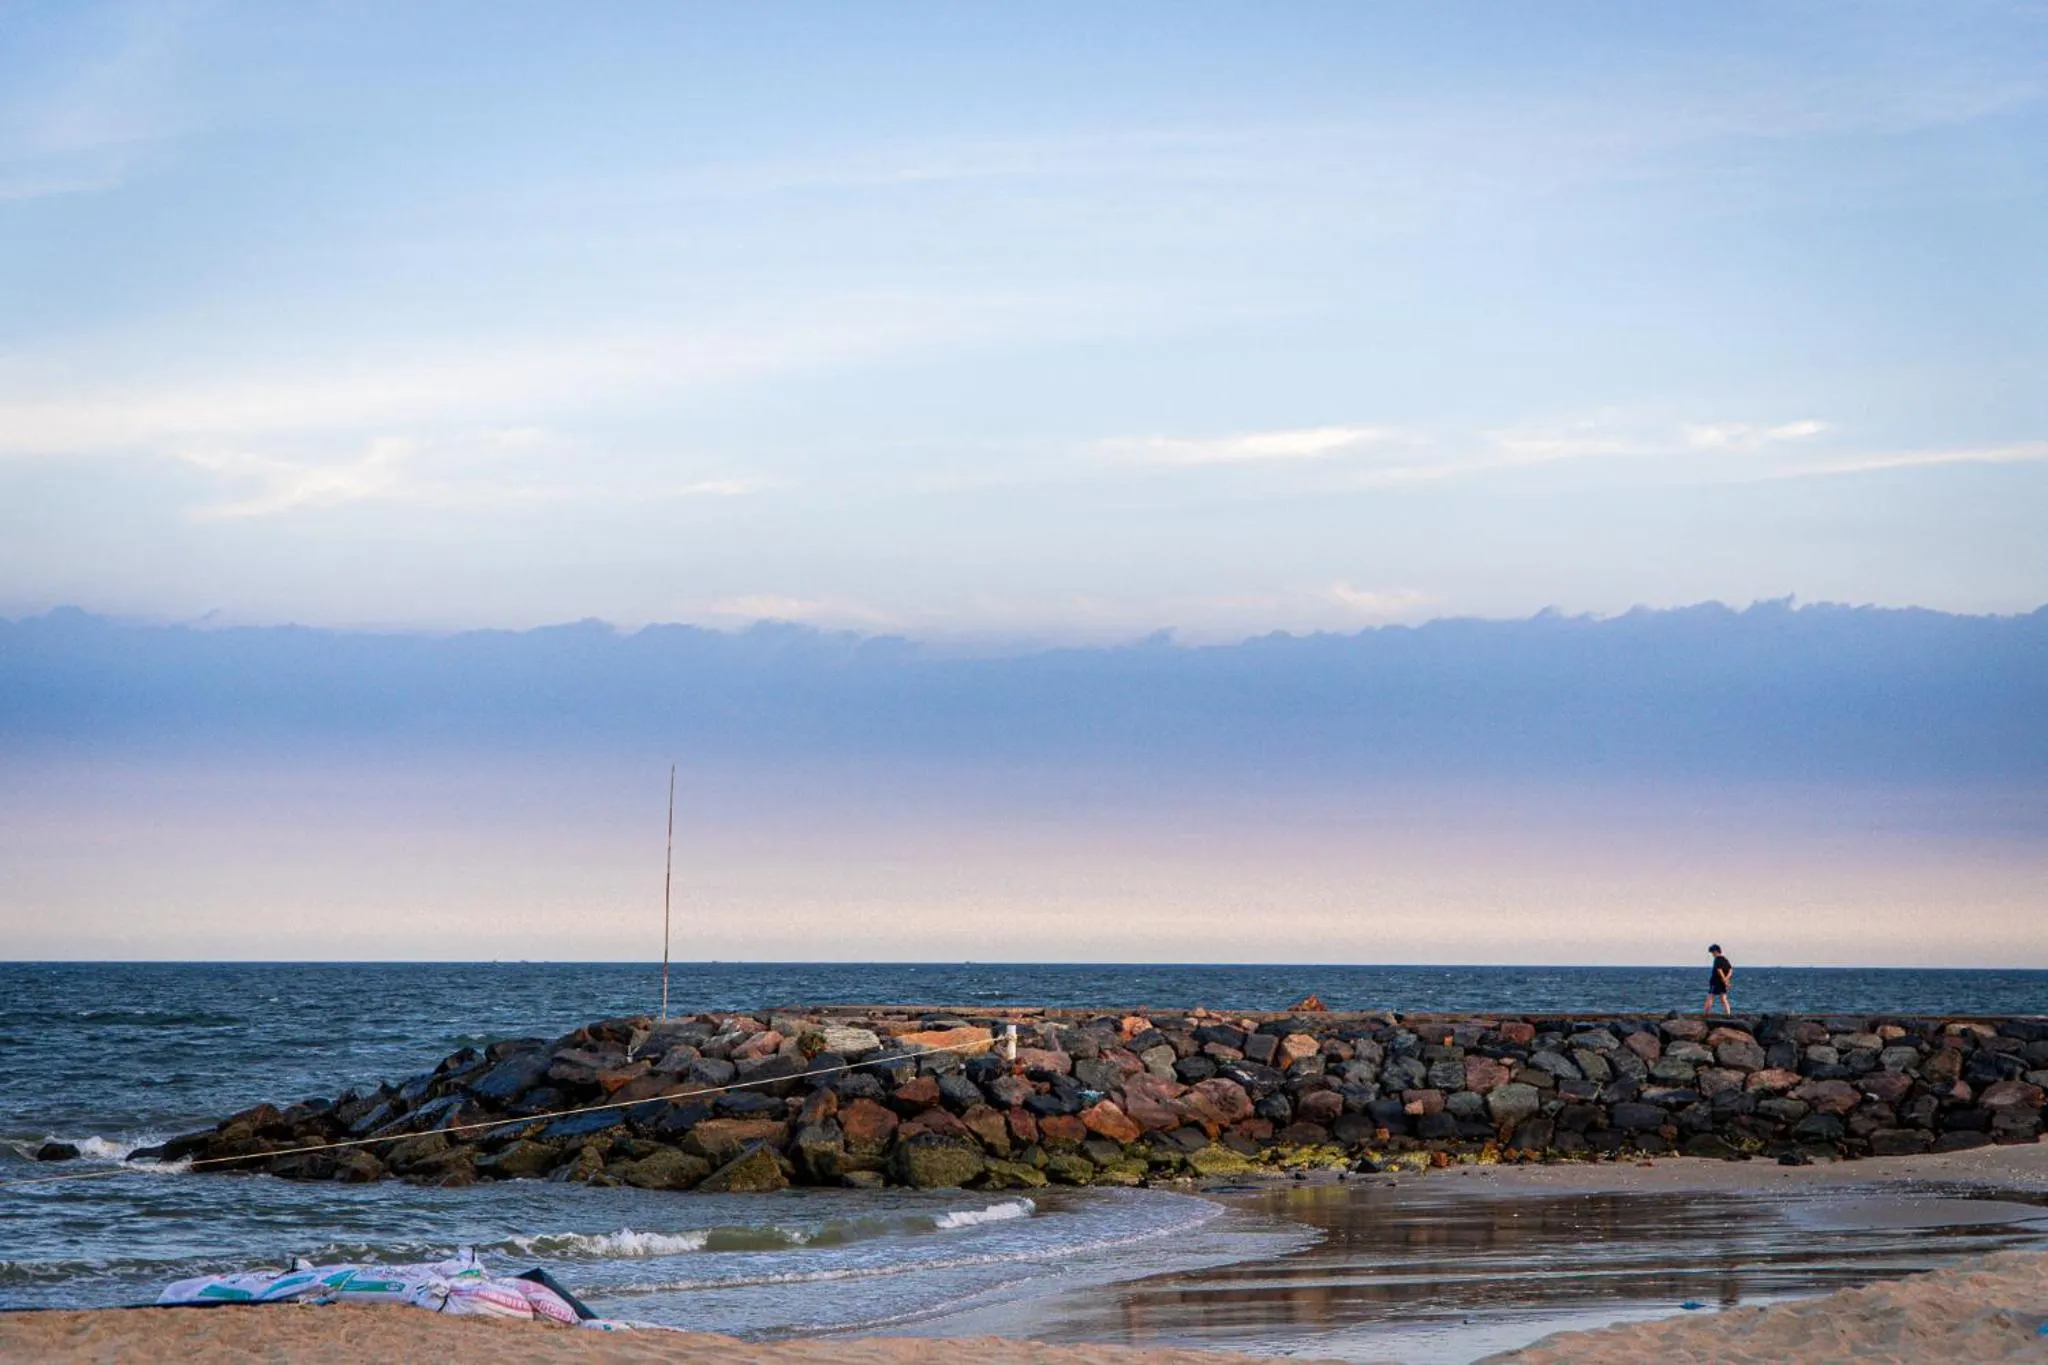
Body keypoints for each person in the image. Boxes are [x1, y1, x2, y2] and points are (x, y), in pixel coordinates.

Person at [1704, 944, 1733, 1015]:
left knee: (1710, 997)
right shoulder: (1725, 959)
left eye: (1712, 953)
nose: (1712, 954)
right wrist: (1726, 979)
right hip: (1722, 982)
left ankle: (1706, 1014)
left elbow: (1719, 970)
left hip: (1715, 982)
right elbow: (1730, 970)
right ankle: (1728, 1014)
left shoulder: (1717, 959)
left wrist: (1724, 979)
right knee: (1723, 999)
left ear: (1716, 951)